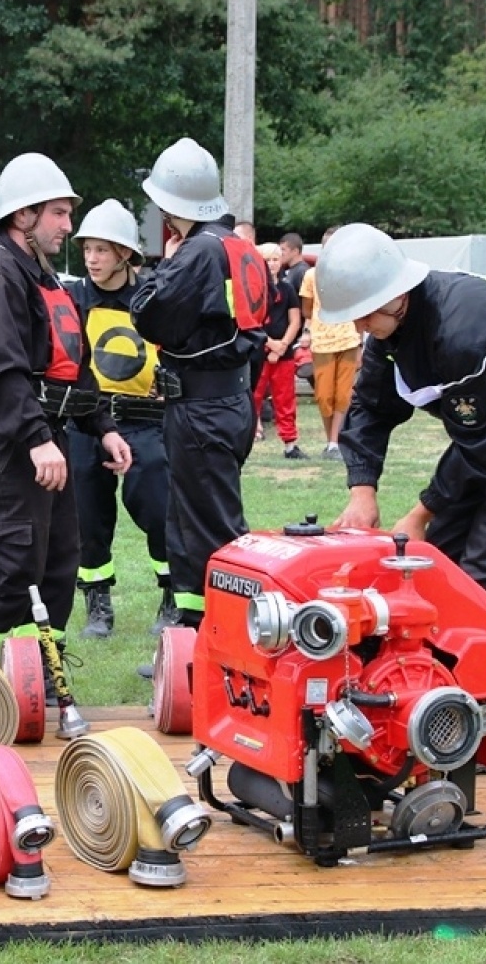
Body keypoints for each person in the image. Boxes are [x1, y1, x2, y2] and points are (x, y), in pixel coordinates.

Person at [319, 223, 486, 655]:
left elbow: (477, 444)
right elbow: (370, 409)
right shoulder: (388, 330)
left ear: (397, 294)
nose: (360, 327)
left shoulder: (463, 326)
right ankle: (426, 684)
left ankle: (484, 698)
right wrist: (362, 490)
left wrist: (419, 515)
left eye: (365, 314)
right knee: (436, 560)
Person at [0, 153, 132, 678]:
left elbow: (71, 364)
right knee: (15, 567)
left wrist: (102, 426)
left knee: (57, 565)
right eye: (59, 214)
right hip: (9, 443)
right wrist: (35, 438)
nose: (69, 226)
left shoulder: (41, 274)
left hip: (49, 437)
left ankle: (37, 682)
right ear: (24, 216)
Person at [130, 138, 267, 669]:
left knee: (212, 530)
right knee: (186, 525)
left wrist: (158, 272)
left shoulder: (200, 251)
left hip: (203, 408)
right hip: (224, 400)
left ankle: (240, 647)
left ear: (170, 206)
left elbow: (151, 315)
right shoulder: (238, 246)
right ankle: (193, 638)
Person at [64, 199, 171, 639]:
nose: (92, 259)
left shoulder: (152, 297)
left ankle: (171, 596)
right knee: (87, 517)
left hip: (145, 421)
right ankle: (97, 605)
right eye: (88, 249)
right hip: (88, 419)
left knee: (160, 511)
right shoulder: (74, 298)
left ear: (125, 253)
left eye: (102, 250)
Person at [297, 225, 360, 460]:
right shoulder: (311, 275)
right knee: (324, 395)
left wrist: (361, 343)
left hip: (349, 339)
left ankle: (335, 442)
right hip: (322, 340)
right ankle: (331, 440)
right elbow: (306, 308)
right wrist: (308, 331)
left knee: (344, 394)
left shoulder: (353, 273)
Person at [250, 241, 305, 459]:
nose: (272, 264)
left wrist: (282, 346)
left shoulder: (287, 287)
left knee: (285, 398)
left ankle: (290, 443)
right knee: (253, 396)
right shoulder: (253, 289)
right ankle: (249, 435)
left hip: (284, 354)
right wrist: (270, 344)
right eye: (267, 260)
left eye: (275, 259)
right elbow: (251, 322)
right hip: (258, 353)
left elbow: (295, 320)